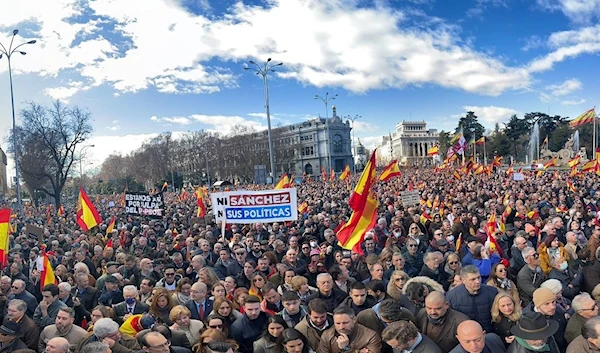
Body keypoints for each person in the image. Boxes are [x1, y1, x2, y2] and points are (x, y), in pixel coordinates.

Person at [446, 265, 498, 333]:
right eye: (473, 279)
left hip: (490, 333)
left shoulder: (492, 292)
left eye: (479, 277)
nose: (477, 281)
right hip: (467, 335)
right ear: (463, 280)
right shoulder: (452, 297)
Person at [317, 306, 382, 353]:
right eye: (337, 323)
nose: (341, 327)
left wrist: (347, 349)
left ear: (354, 320)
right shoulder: (327, 335)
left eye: (345, 323)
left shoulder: (371, 336)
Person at [75, 317, 140, 353]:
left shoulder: (129, 340)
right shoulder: (86, 339)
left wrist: (116, 347)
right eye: (113, 335)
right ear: (102, 337)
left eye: (117, 331)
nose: (118, 335)